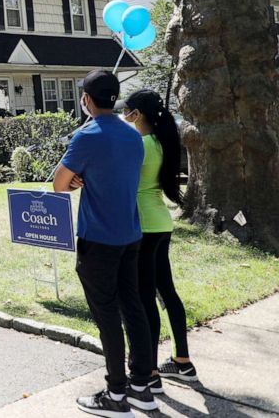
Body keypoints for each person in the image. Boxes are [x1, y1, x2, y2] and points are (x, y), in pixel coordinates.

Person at [53, 70, 157, 417]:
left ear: (86, 100)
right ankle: (142, 386)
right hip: (131, 235)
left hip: (98, 240)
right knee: (134, 307)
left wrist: (77, 178)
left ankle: (115, 394)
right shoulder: (132, 136)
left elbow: (59, 183)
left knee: (107, 315)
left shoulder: (87, 135)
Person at [119, 89, 197, 390]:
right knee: (167, 292)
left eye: (127, 111)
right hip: (161, 222)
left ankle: (148, 372)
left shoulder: (141, 145)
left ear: (137, 114)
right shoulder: (162, 141)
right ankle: (182, 361)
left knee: (144, 299)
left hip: (145, 226)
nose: (124, 116)